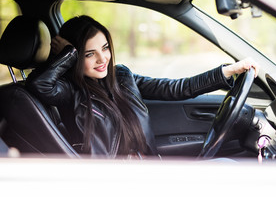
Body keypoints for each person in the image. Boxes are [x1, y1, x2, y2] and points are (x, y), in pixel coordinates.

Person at [26, 15, 259, 159]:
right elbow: (39, 84)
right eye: (89, 53)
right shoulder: (70, 91)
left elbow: (176, 89)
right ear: (75, 56)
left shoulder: (122, 76)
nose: (102, 59)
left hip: (147, 167)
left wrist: (227, 71)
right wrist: (70, 54)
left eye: (105, 48)